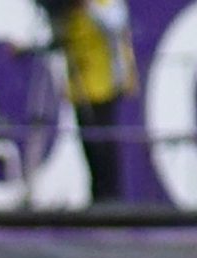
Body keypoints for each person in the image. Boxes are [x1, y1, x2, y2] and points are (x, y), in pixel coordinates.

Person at [44, 0, 144, 205]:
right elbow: (59, 41)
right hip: (80, 91)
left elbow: (115, 24)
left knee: (105, 146)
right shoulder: (69, 13)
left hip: (105, 87)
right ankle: (97, 199)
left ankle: (112, 199)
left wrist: (87, 5)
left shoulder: (104, 4)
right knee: (89, 147)